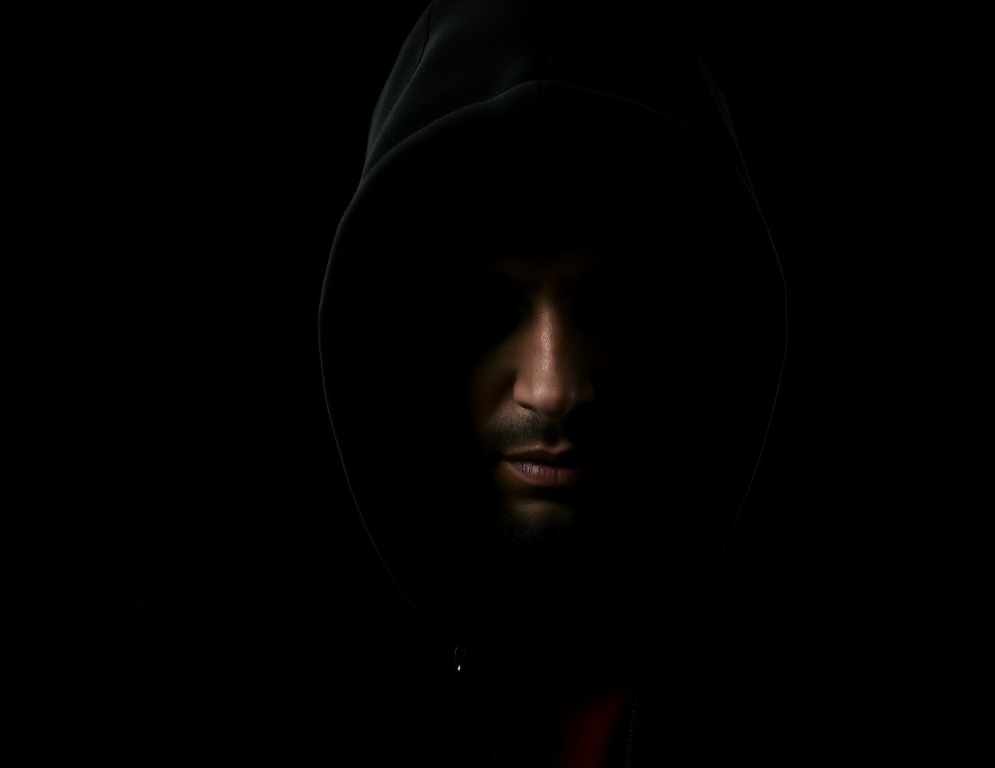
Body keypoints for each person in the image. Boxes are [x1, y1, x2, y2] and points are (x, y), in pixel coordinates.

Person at [315, 1, 786, 765]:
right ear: (394, 338)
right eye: (489, 310)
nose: (553, 386)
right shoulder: (212, 686)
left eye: (614, 307)